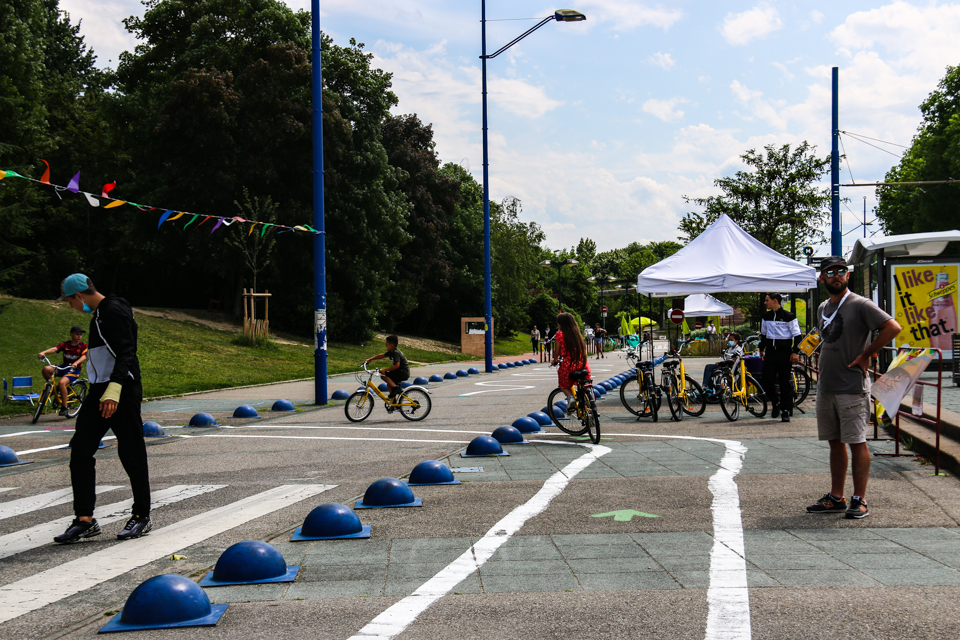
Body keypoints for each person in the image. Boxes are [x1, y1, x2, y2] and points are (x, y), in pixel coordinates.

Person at [53, 274, 152, 544]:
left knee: (131, 450)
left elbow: (127, 351)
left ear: (80, 296)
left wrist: (115, 389)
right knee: (81, 450)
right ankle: (85, 520)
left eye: (69, 301)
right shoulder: (99, 314)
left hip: (121, 389)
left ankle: (142, 516)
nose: (70, 306)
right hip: (100, 390)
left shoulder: (113, 311)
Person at [806, 257, 901, 520]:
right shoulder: (824, 306)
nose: (836, 276)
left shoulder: (860, 304)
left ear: (847, 275)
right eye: (830, 272)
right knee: (834, 442)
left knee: (857, 442)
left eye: (841, 271)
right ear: (822, 278)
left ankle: (860, 498)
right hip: (826, 385)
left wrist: (866, 353)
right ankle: (837, 496)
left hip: (851, 386)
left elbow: (892, 327)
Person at [759, 293, 803, 423]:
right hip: (771, 352)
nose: (765, 303)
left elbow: (798, 336)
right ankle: (775, 402)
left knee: (784, 382)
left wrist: (795, 352)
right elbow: (763, 334)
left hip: (784, 352)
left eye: (767, 300)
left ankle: (785, 410)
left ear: (775, 301)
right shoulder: (766, 316)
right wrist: (761, 348)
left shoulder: (789, 317)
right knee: (767, 380)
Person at [38, 325, 88, 416]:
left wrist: (76, 363)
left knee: (62, 383)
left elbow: (84, 356)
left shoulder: (83, 346)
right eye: (77, 334)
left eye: (80, 335)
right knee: (46, 369)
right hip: (64, 367)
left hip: (74, 370)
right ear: (71, 335)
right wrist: (43, 352)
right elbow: (55, 349)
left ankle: (64, 407)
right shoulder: (66, 344)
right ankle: (54, 388)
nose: (79, 336)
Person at [551, 312, 591, 414]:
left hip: (569, 365)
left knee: (563, 385)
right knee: (585, 385)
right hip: (583, 364)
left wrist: (554, 360)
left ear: (561, 324)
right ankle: (590, 403)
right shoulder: (577, 333)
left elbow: (557, 352)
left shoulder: (559, 334)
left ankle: (570, 398)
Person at [365, 335, 410, 404]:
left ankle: (396, 388)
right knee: (389, 385)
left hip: (402, 373)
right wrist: (370, 359)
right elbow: (382, 355)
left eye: (386, 344)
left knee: (383, 375)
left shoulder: (395, 353)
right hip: (399, 372)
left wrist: (384, 370)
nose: (385, 345)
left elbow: (397, 366)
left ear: (391, 345)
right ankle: (394, 402)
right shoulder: (391, 351)